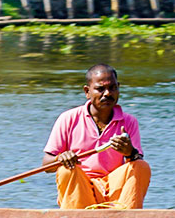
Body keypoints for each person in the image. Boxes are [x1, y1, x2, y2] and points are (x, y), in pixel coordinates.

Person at [44, 64, 149, 209]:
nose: (107, 94)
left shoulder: (129, 121)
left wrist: (130, 152)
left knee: (141, 166)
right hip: (81, 189)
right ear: (87, 91)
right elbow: (46, 165)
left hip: (113, 190)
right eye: (100, 89)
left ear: (118, 88)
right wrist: (60, 158)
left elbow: (136, 162)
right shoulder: (68, 118)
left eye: (112, 88)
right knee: (66, 170)